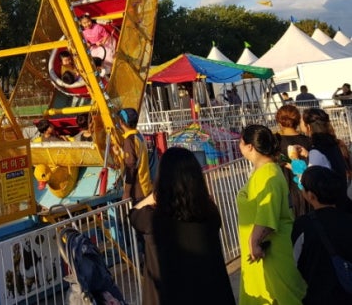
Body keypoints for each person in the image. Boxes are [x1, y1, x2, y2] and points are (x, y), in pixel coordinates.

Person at [129, 147, 235, 305]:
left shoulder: (152, 219)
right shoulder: (209, 213)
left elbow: (133, 214)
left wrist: (155, 194)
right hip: (211, 295)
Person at [236, 124, 306, 304]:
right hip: (263, 252)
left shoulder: (268, 174)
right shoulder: (265, 171)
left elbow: (268, 212)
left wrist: (254, 242)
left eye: (241, 142)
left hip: (270, 253)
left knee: (280, 297)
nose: (239, 146)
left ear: (250, 146)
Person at [291, 166, 352, 304]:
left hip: (318, 295)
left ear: (311, 196)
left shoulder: (302, 225)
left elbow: (298, 260)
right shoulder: (348, 220)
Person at [275, 104, 313, 216]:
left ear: (279, 120)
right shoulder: (308, 141)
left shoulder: (276, 142)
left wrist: (286, 159)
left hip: (286, 187)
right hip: (307, 188)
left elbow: (278, 159)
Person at [298, 107, 350, 182]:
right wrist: (308, 155)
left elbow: (308, 182)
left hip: (329, 192)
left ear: (308, 127)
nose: (299, 124)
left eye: (301, 122)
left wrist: (295, 161)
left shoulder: (317, 150)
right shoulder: (334, 143)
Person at [118, 108, 152, 202]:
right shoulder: (138, 136)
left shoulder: (129, 140)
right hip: (145, 186)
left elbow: (131, 167)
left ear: (121, 122)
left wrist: (126, 192)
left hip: (137, 191)